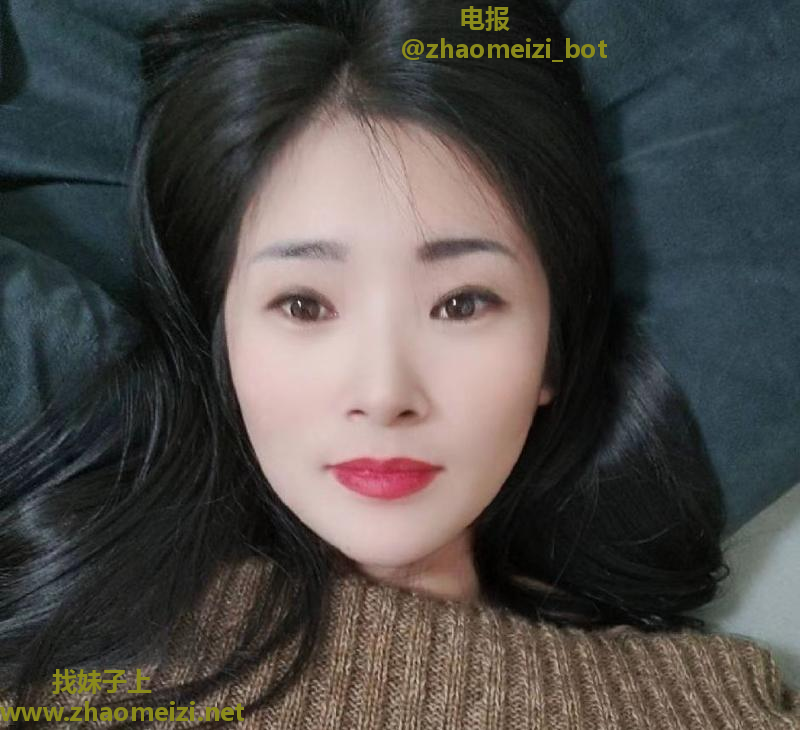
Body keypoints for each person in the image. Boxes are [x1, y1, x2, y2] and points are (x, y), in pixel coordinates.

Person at [0, 0, 798, 727]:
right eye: (304, 305)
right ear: (222, 341)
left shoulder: (710, 703)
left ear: (553, 351)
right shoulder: (71, 635)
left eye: (462, 303)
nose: (384, 395)